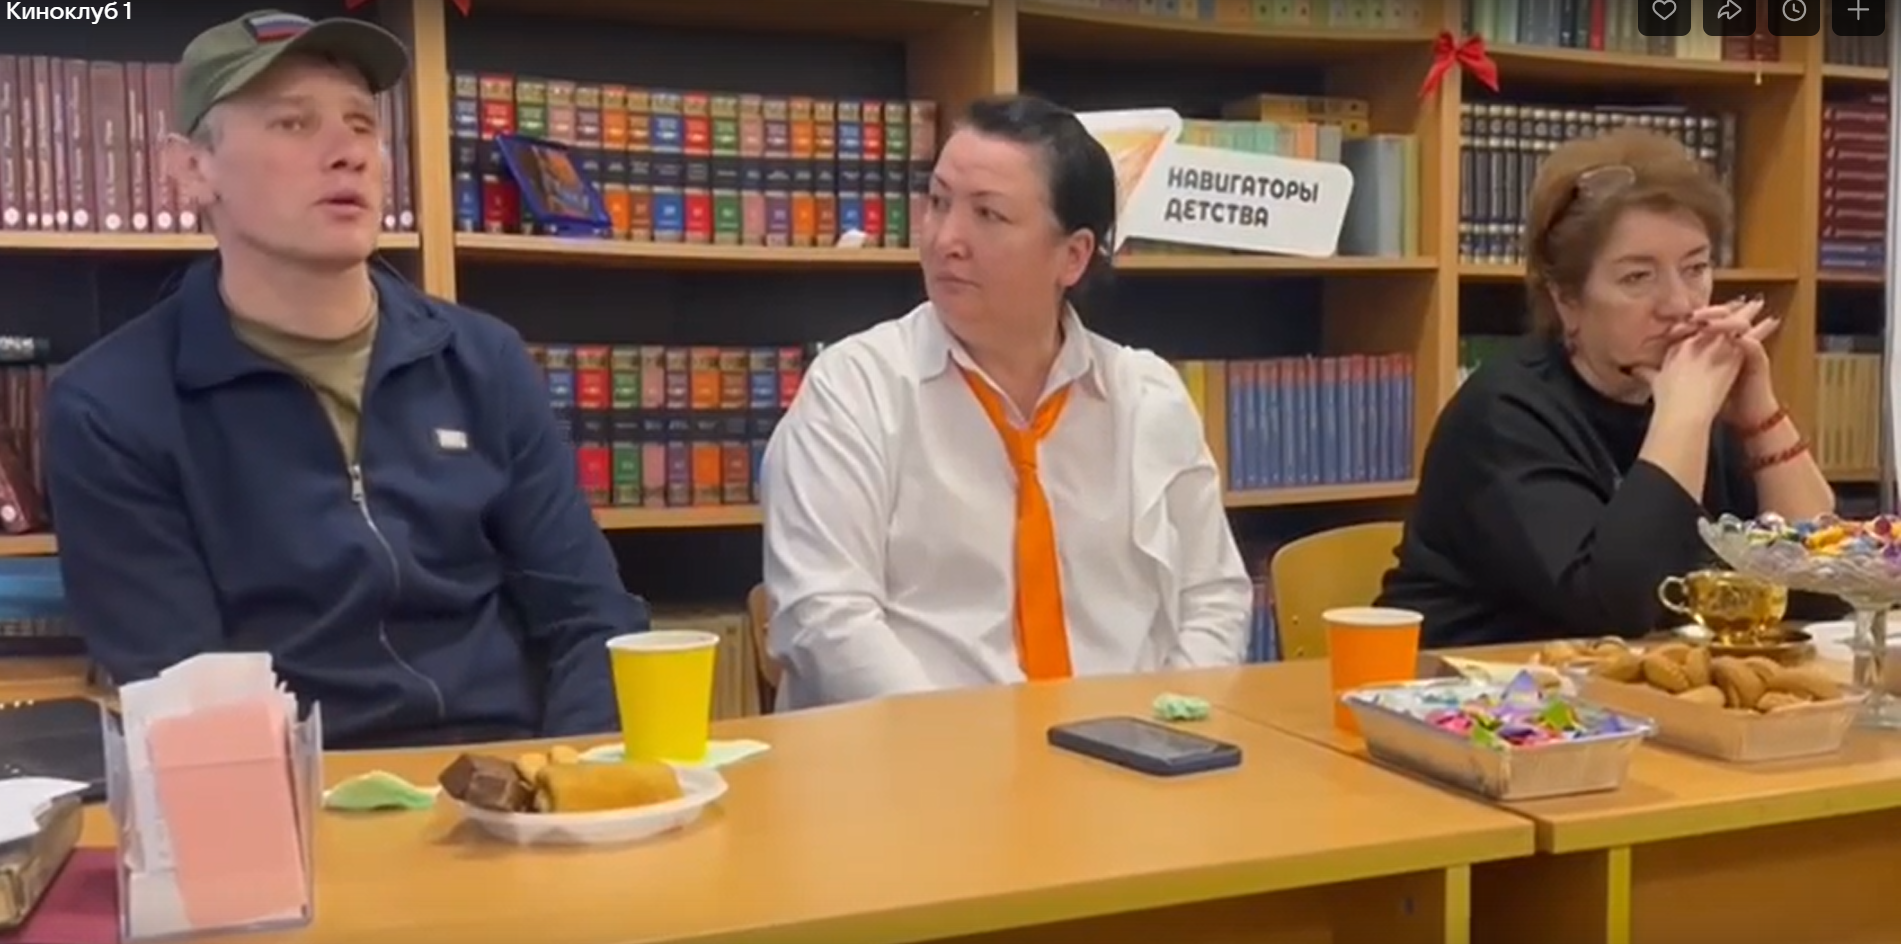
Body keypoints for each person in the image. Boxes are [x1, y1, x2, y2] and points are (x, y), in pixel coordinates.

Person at [41, 10, 648, 748]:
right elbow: (186, 696)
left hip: (514, 772)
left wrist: (573, 782)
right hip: (293, 788)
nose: (347, 153)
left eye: (361, 124)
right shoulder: (110, 407)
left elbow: (590, 616)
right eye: (293, 124)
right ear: (192, 168)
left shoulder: (484, 358)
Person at [759, 94, 1252, 710]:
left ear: (1073, 256)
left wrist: (1166, 725)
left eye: (988, 215)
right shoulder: (855, 389)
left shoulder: (1147, 398)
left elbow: (1213, 596)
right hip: (918, 750)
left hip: (1128, 747)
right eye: (939, 202)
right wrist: (966, 747)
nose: (946, 239)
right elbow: (823, 616)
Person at [1377, 128, 1836, 647]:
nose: (1680, 304)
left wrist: (1759, 416)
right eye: (1638, 278)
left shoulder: (1697, 392)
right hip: (1469, 684)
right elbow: (1618, 607)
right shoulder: (1504, 414)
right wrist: (1682, 417)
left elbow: (1824, 589)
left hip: (1638, 684)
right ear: (1567, 300)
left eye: (1695, 268)